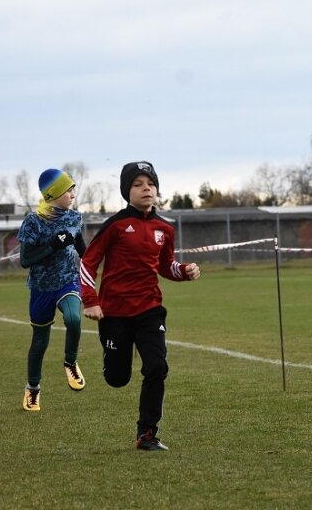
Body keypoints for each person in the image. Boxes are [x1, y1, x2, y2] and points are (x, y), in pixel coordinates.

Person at [81, 161, 201, 451]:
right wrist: (90, 301)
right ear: (127, 191)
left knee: (157, 366)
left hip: (149, 309)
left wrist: (183, 271)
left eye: (150, 183)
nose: (146, 188)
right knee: (117, 378)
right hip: (114, 313)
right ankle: (113, 361)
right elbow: (88, 262)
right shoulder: (115, 226)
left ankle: (147, 434)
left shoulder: (164, 228)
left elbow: (165, 266)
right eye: (138, 184)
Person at [17, 169, 87, 411]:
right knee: (39, 343)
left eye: (73, 189)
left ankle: (70, 362)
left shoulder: (75, 218)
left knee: (74, 318)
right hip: (40, 289)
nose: (73, 194)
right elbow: (25, 260)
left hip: (67, 281)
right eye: (68, 190)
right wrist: (53, 245)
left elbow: (84, 252)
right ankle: (33, 390)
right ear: (54, 193)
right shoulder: (33, 221)